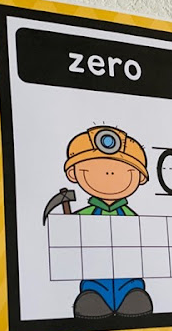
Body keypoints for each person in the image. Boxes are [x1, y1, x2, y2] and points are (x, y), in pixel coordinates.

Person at [64, 126, 153, 319]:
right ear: (73, 173)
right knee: (93, 290)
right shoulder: (85, 215)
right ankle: (95, 296)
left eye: (125, 169)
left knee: (132, 289)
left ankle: (130, 294)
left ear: (140, 177)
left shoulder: (130, 216)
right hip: (95, 272)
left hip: (127, 274)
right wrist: (68, 227)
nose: (109, 172)